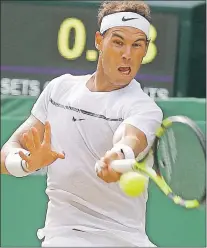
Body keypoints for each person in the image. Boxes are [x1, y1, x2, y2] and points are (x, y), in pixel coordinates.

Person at [1, 1, 163, 247]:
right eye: (118, 42)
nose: (127, 54)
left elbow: (132, 137)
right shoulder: (59, 90)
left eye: (137, 45)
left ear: (145, 50)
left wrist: (119, 154)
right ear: (99, 41)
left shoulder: (143, 108)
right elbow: (6, 154)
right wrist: (26, 163)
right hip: (66, 236)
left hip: (128, 240)